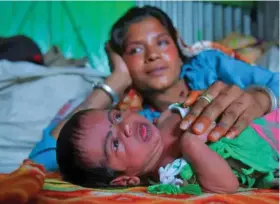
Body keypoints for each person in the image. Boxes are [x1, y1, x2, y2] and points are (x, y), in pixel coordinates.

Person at [29, 5, 279, 171]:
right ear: (122, 61)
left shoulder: (209, 66)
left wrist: (261, 98)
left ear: (179, 46)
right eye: (135, 50)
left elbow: (273, 83)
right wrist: (114, 83)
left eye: (162, 42)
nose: (153, 55)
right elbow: (44, 162)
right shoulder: (135, 124)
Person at [56, 107, 279, 193]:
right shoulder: (172, 176)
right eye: (114, 143)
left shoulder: (167, 116)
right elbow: (227, 185)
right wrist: (191, 145)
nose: (125, 126)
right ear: (125, 180)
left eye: (116, 116)